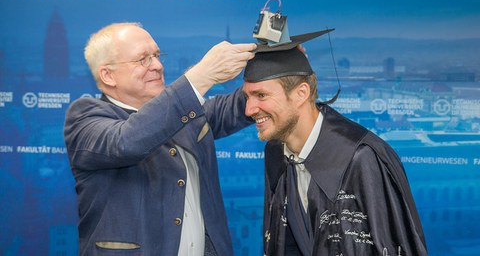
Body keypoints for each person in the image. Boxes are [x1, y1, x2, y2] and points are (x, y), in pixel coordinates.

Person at [64, 22, 256, 256]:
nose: (157, 66)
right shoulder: (84, 116)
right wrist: (201, 76)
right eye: (142, 59)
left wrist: (274, 67)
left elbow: (237, 106)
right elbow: (127, 141)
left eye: (156, 55)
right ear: (108, 75)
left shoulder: (183, 112)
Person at [242, 33, 428, 255]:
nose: (248, 110)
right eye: (247, 97)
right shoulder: (275, 152)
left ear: (301, 93)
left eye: (261, 95)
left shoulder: (361, 158)